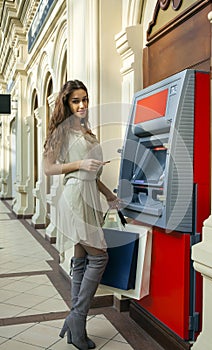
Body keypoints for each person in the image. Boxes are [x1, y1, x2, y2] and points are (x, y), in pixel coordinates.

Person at [43, 80, 119, 350]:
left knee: (81, 260)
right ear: (67, 103)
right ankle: (77, 317)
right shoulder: (61, 133)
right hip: (74, 198)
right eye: (76, 100)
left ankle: (76, 326)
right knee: (100, 257)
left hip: (90, 197)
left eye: (85, 99)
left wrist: (109, 194)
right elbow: (49, 168)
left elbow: (91, 174)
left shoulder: (89, 133)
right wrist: (80, 163)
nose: (82, 105)